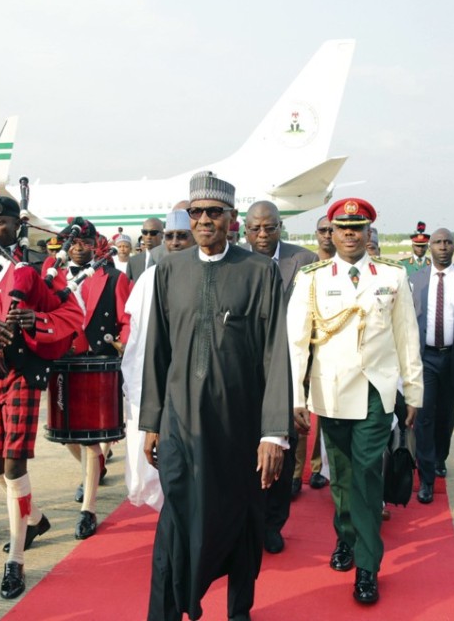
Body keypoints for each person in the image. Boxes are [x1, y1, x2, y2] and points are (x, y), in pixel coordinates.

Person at [140, 172, 291, 621]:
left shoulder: (260, 271)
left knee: (241, 525)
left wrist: (274, 433)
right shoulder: (168, 268)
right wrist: (151, 421)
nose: (204, 221)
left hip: (239, 428)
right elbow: (157, 350)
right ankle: (167, 610)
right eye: (196, 213)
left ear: (232, 219)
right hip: (180, 427)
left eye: (214, 213)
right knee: (174, 526)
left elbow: (275, 355)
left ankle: (238, 611)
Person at [288, 196, 423, 606]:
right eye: (342, 228)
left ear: (368, 233)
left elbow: (407, 337)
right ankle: (345, 538)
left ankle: (367, 565)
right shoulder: (312, 279)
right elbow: (296, 342)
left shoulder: (392, 276)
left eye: (357, 227)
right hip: (330, 393)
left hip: (375, 393)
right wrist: (296, 394)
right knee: (343, 477)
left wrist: (414, 390)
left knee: (366, 474)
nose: (349, 234)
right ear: (330, 232)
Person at [0, 185, 83, 600]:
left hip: (22, 372)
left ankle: (15, 560)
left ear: (18, 224)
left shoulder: (43, 266)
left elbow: (74, 313)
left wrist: (35, 318)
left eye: (0, 220)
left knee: (15, 465)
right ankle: (33, 518)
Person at [50, 220, 130, 539]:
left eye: (83, 241)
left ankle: (89, 509)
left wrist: (122, 346)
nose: (77, 246)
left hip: (99, 363)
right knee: (67, 435)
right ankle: (96, 467)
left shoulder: (114, 278)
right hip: (62, 362)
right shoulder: (54, 278)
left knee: (91, 438)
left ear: (95, 242)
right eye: (72, 242)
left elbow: (127, 320)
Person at [244, 201, 316, 554]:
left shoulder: (303, 261)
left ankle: (273, 524)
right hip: (244, 374)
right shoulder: (236, 261)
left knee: (283, 454)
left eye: (269, 228)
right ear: (244, 230)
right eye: (255, 228)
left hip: (289, 372)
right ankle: (247, 522)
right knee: (246, 450)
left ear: (280, 227)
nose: (262, 235)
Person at [121, 206, 193, 512]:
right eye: (170, 237)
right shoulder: (149, 278)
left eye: (182, 237)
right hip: (156, 378)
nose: (175, 243)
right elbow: (137, 339)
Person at [408, 228, 454, 502]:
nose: (442, 246)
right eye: (437, 242)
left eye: (447, 242)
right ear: (430, 247)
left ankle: (440, 457)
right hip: (425, 358)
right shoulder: (414, 281)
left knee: (446, 414)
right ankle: (425, 478)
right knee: (424, 417)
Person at [292, 215, 335, 495]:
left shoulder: (346, 265)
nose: (328, 235)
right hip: (306, 348)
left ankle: (320, 468)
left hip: (331, 351)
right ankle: (296, 474)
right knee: (299, 414)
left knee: (326, 414)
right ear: (316, 233)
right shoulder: (307, 263)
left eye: (333, 229)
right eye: (323, 230)